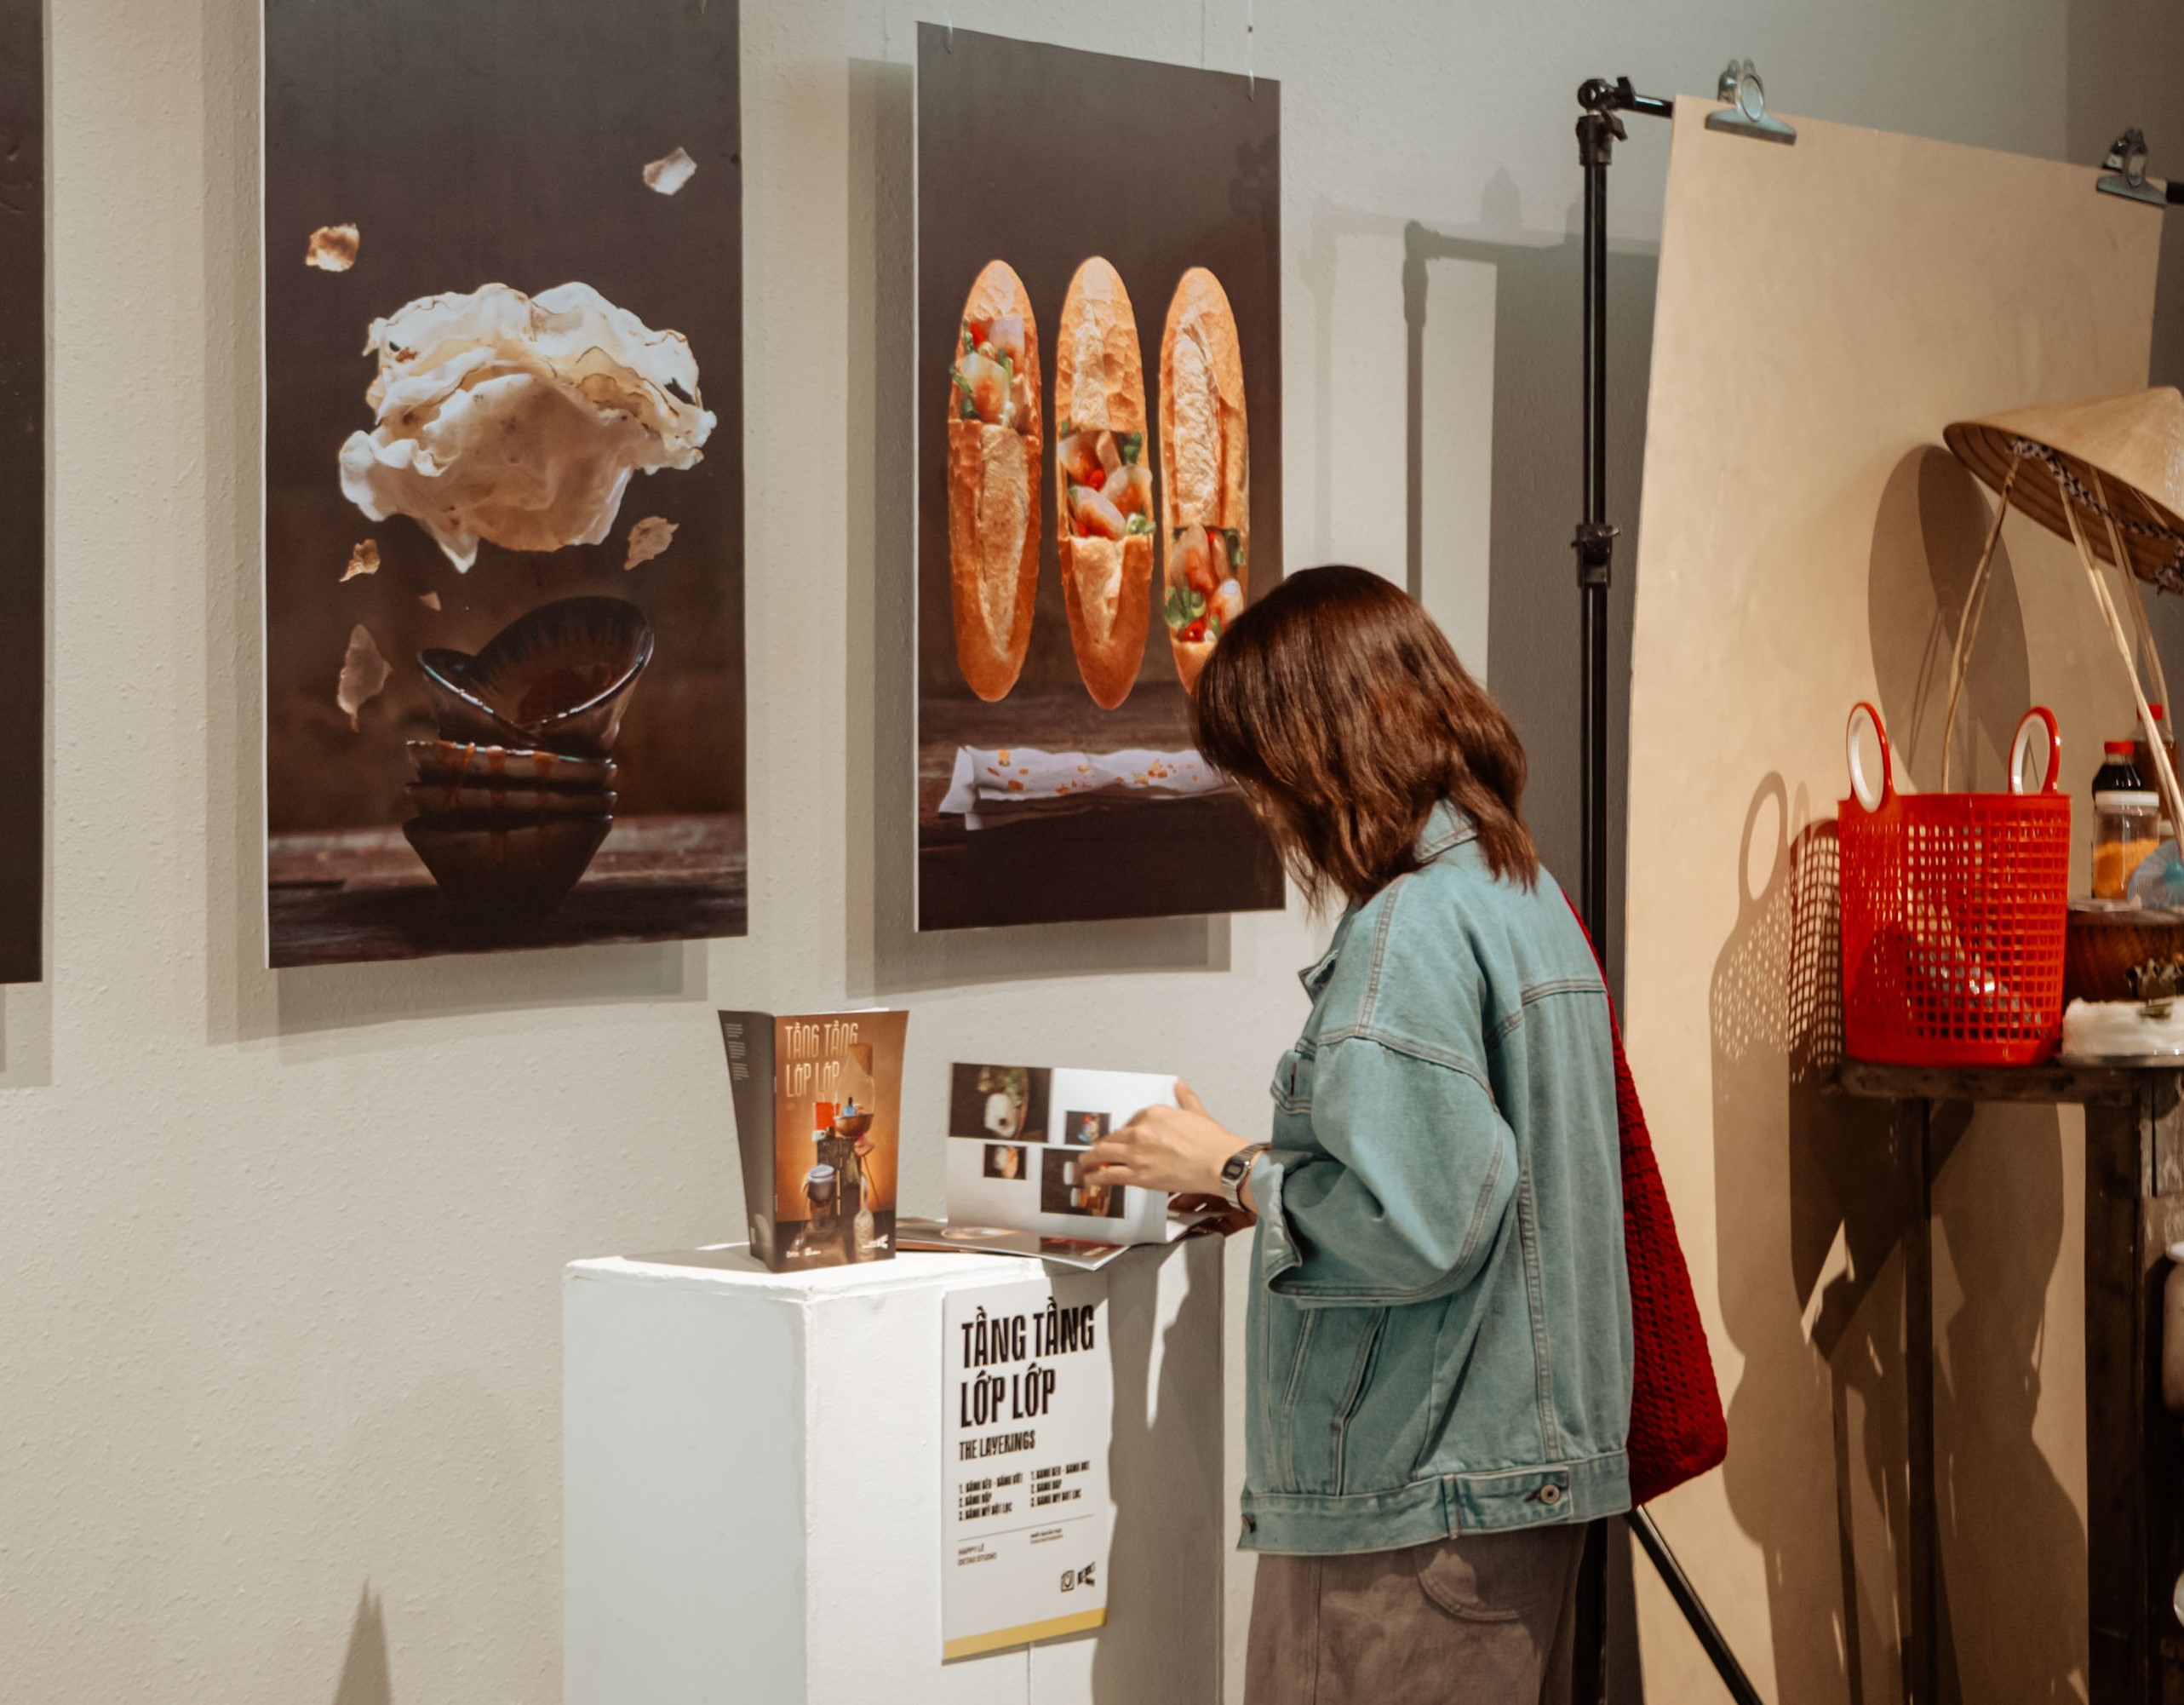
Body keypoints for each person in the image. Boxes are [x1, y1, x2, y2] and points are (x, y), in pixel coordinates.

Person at [1086, 565, 1630, 1705]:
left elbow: (1422, 1220)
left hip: (1410, 1508)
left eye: (1258, 775)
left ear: (1313, 749)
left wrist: (1233, 1169)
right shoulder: (1513, 888)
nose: (1263, 811)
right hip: (1503, 1489)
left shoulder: (1404, 933)